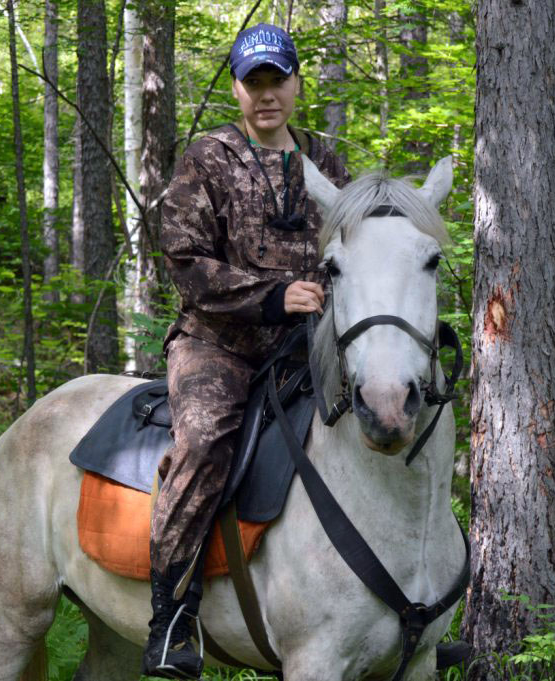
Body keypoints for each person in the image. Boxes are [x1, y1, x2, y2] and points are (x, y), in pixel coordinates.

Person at [142, 22, 351, 679]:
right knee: (203, 442)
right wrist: (273, 295)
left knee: (390, 414)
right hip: (218, 344)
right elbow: (182, 259)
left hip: (308, 347)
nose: (267, 93)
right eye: (254, 81)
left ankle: (409, 606)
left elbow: (352, 249)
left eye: (278, 79)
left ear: (296, 83)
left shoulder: (326, 160)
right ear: (236, 87)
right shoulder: (208, 157)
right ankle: (171, 618)